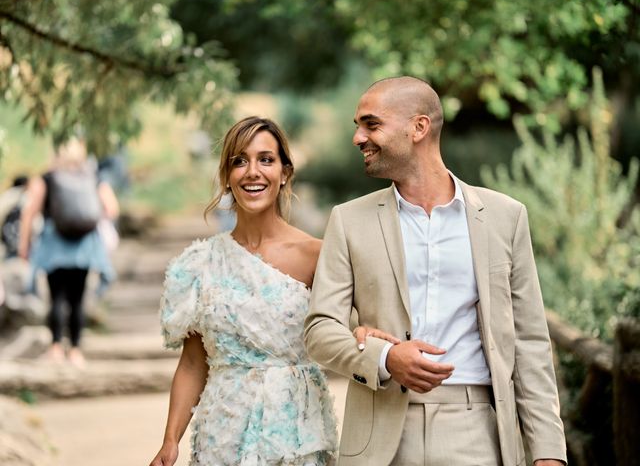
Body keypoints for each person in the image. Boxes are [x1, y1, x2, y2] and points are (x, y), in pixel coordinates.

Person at [304, 77, 567, 466]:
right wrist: (386, 357)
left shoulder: (505, 217)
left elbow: (529, 340)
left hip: (475, 426)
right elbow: (319, 329)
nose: (359, 138)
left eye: (371, 124)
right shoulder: (348, 220)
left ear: (419, 127)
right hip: (380, 433)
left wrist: (548, 452)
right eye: (357, 126)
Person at [152, 116, 383, 466]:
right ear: (226, 177)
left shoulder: (318, 255)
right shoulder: (200, 263)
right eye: (239, 161)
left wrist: (363, 330)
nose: (252, 172)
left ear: (285, 172)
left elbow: (352, 329)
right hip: (221, 434)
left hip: (296, 432)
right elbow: (192, 362)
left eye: (266, 159)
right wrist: (170, 442)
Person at [18, 137, 118, 366]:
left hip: (54, 245)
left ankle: (55, 348)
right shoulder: (92, 175)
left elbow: (29, 212)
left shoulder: (47, 177)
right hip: (84, 247)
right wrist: (87, 221)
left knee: (56, 298)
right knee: (77, 299)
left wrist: (24, 245)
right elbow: (111, 208)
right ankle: (75, 351)